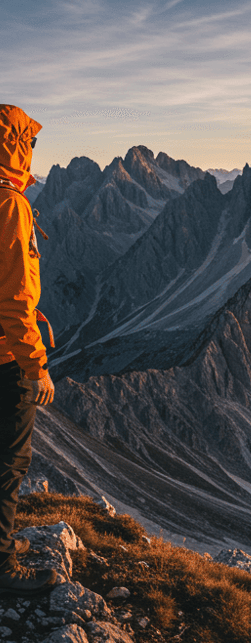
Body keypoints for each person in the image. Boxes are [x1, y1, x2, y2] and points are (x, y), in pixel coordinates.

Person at [0, 104, 59, 594]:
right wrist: (35, 365)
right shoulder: (9, 205)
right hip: (6, 356)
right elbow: (16, 299)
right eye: (29, 142)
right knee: (9, 460)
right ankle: (0, 567)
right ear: (14, 145)